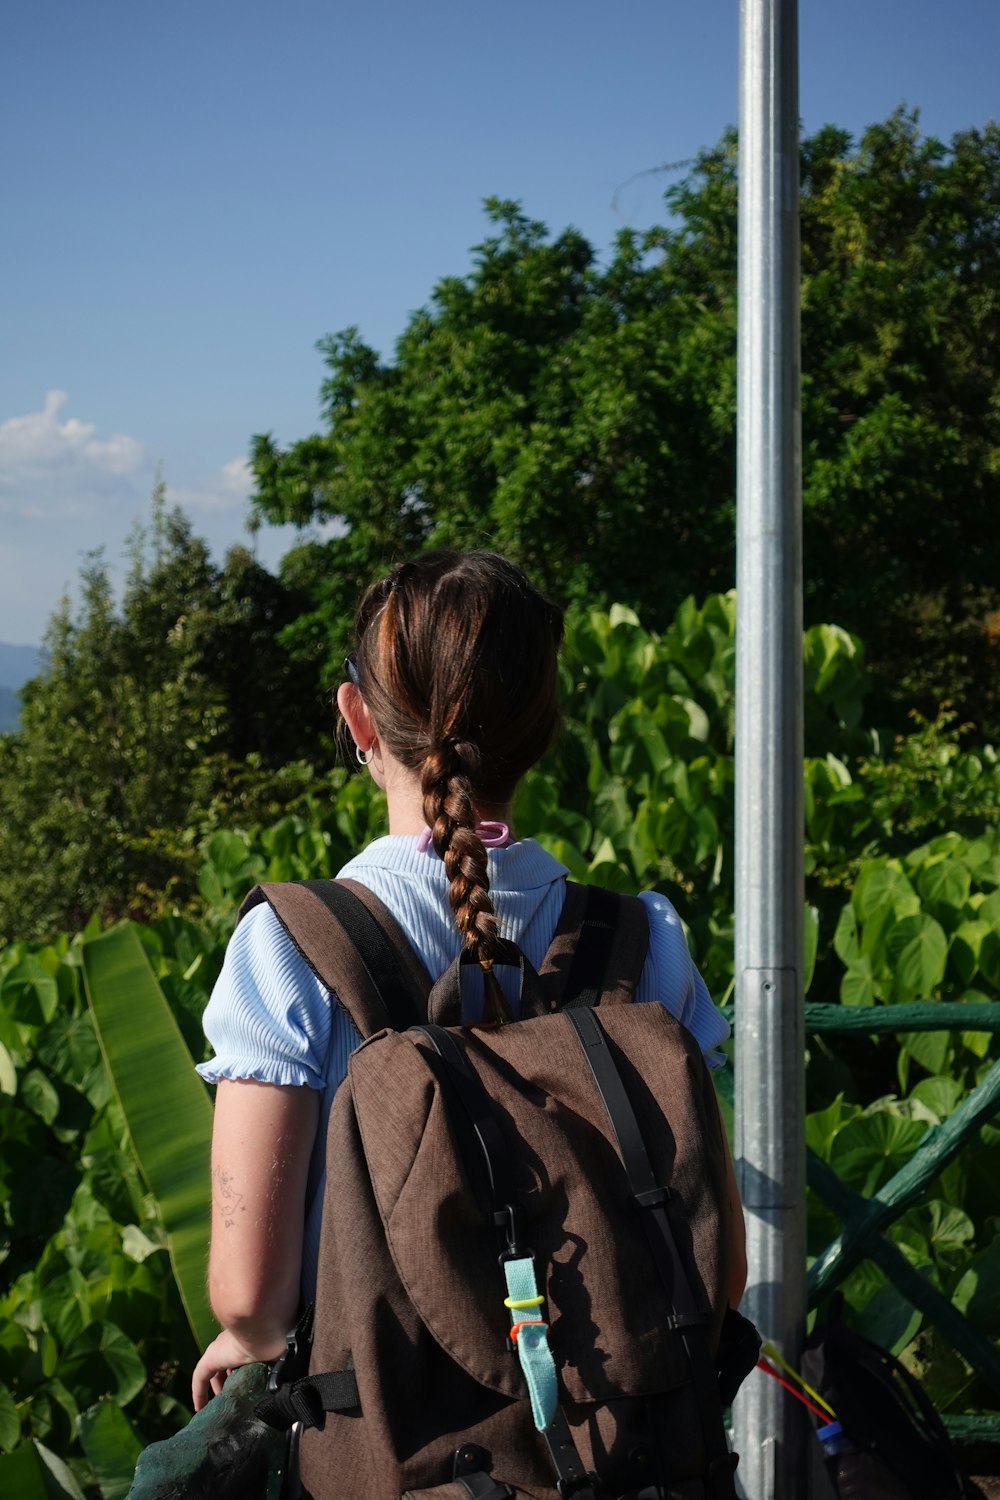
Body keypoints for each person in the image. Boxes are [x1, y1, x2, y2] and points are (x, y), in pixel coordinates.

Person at [191, 549, 746, 1413]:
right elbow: (721, 1267)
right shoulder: (645, 943)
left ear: (358, 720)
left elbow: (253, 1300)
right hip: (618, 1449)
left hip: (394, 1446)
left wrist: (248, 1340)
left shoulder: (291, 945)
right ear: (544, 726)